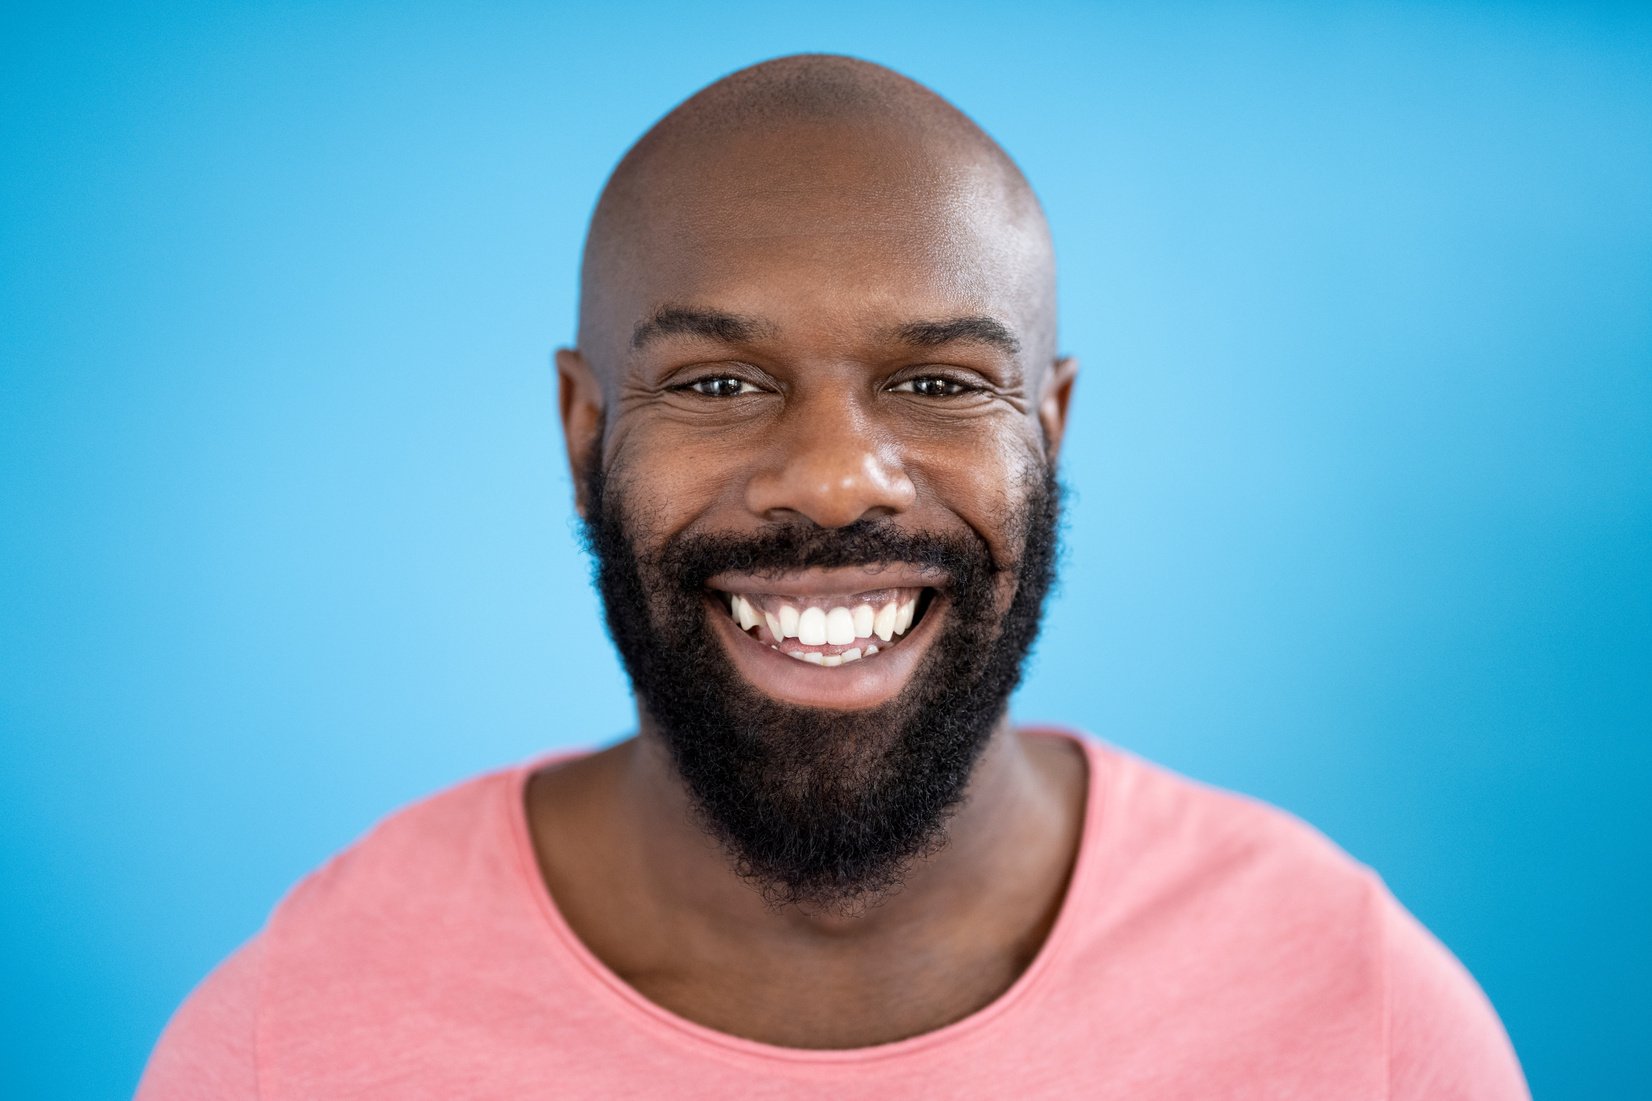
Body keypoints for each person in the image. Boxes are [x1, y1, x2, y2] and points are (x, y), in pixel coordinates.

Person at [137, 54, 1528, 1099]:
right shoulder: (295, 1033)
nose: (834, 476)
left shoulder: (1357, 1010)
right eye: (720, 380)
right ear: (584, 436)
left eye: (936, 381)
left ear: (1046, 435)